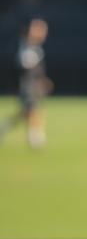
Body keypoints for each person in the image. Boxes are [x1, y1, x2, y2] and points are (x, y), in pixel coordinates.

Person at [1, 17, 52, 149]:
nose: (43, 33)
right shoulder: (27, 46)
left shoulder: (34, 47)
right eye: (40, 29)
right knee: (32, 110)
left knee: (26, 112)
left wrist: (42, 80)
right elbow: (25, 67)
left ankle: (5, 127)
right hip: (28, 86)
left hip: (33, 86)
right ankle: (36, 138)